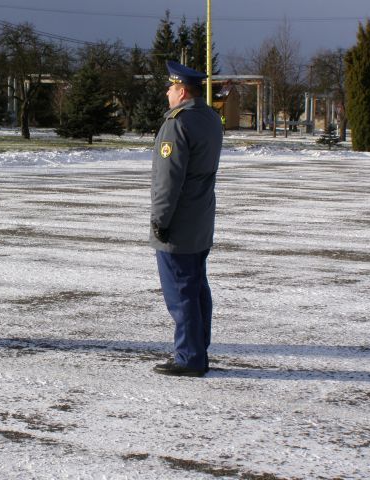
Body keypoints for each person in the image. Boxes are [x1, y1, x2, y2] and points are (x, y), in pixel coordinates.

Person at [150, 61, 223, 377]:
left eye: (170, 87)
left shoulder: (177, 124)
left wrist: (160, 220)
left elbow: (168, 180)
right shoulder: (210, 118)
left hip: (179, 223)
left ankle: (189, 357)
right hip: (201, 219)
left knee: (181, 292)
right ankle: (197, 349)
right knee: (196, 288)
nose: (167, 92)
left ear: (182, 91)